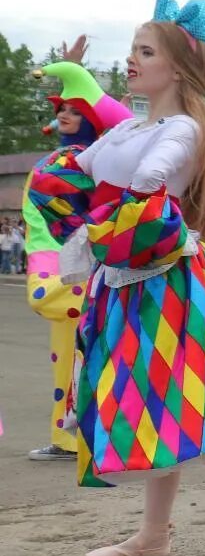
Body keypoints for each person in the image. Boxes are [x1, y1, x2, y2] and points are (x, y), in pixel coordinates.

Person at [26, 0, 205, 556]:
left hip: (180, 289)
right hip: (128, 287)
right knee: (152, 406)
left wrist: (99, 205)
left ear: (178, 67)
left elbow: (146, 182)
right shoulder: (131, 127)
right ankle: (153, 534)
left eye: (146, 51)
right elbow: (73, 172)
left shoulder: (186, 129)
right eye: (134, 49)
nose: (132, 59)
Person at [23, 45, 133, 462]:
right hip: (52, 257)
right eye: (62, 109)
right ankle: (68, 438)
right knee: (66, 354)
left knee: (84, 339)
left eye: (75, 109)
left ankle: (100, 432)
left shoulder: (88, 159)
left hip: (74, 263)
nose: (65, 114)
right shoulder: (66, 155)